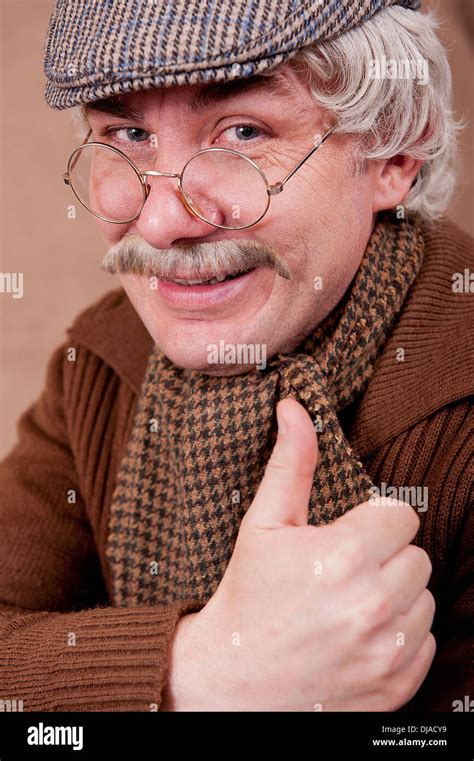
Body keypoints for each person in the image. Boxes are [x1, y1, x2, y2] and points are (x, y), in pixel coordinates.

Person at [0, 0, 472, 711]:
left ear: (394, 154)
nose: (161, 222)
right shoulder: (101, 362)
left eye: (243, 132)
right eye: (128, 133)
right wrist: (198, 672)